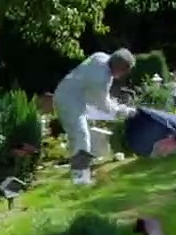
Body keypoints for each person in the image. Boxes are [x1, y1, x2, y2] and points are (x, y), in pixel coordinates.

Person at [53, 49, 137, 185]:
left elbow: (97, 97)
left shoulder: (100, 56)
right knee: (81, 136)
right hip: (69, 101)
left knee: (78, 137)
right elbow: (104, 106)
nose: (123, 75)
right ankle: (80, 179)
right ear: (120, 67)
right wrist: (125, 111)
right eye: (124, 71)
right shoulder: (101, 78)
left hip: (71, 96)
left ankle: (78, 175)